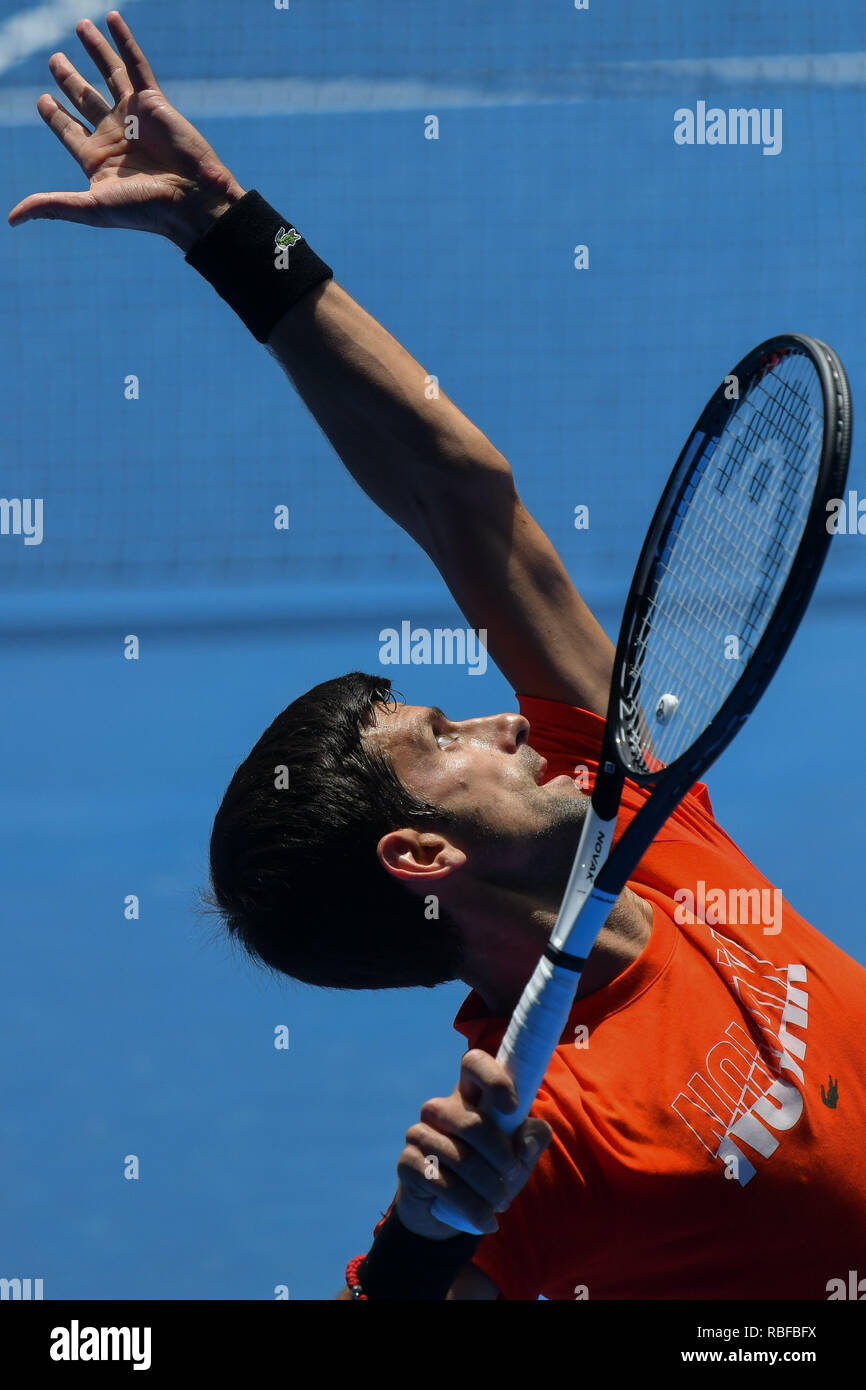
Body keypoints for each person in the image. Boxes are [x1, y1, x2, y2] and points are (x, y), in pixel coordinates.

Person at [13, 11, 866, 1302]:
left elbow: (459, 492)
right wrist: (424, 1246)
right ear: (421, 855)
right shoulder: (533, 1146)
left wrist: (228, 226)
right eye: (443, 738)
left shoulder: (628, 801)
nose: (507, 725)